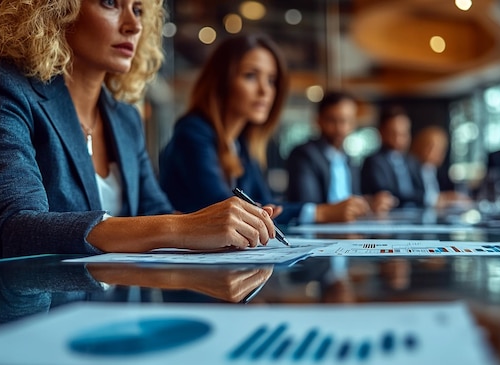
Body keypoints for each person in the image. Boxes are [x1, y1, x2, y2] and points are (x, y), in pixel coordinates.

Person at [0, 0, 277, 259]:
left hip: (124, 303)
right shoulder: (9, 90)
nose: (134, 25)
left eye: (138, 10)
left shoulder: (125, 118)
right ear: (57, 11)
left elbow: (156, 212)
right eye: (110, 3)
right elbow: (14, 227)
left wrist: (214, 233)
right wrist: (180, 227)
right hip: (42, 310)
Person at [159, 34, 377, 225]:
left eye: (271, 80)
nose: (265, 90)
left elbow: (267, 207)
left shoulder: (240, 143)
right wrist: (319, 212)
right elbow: (227, 210)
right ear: (221, 82)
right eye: (251, 76)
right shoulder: (193, 132)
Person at [285, 91, 397, 217]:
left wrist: (369, 203)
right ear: (318, 121)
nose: (340, 128)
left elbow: (352, 198)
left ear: (354, 123)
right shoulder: (303, 155)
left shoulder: (349, 160)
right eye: (332, 120)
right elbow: (307, 204)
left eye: (346, 121)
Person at [360, 106, 424, 207]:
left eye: (403, 134)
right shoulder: (374, 161)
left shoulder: (412, 161)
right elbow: (385, 193)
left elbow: (421, 191)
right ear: (381, 132)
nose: (398, 139)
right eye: (393, 133)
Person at [410, 125, 472, 209]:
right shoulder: (410, 169)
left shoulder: (434, 171)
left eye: (441, 149)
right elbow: (411, 196)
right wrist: (442, 199)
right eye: (430, 147)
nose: (438, 153)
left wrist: (449, 198)